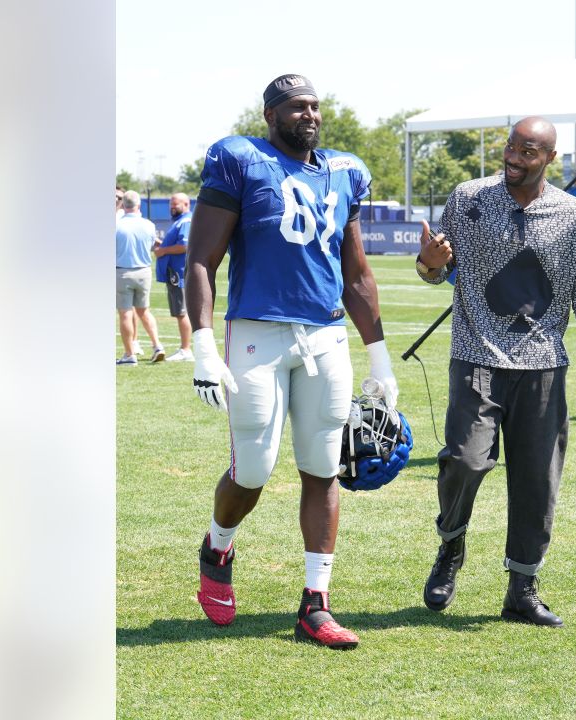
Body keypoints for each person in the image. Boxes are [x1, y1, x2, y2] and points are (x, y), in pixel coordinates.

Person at [185, 73, 399, 650]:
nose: (310, 115)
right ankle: (218, 543)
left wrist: (380, 359)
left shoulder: (343, 171)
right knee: (254, 467)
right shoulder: (240, 159)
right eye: (297, 106)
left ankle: (315, 604)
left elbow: (356, 274)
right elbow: (202, 260)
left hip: (325, 334)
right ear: (271, 114)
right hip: (257, 329)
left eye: (315, 106)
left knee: (323, 463)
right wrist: (203, 343)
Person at [414, 116, 576, 627]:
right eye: (511, 146)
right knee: (466, 461)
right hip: (477, 356)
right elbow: (437, 270)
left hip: (543, 366)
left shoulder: (575, 216)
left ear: (549, 158)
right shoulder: (468, 198)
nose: (514, 157)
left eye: (528, 151)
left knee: (538, 482)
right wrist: (428, 263)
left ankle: (522, 587)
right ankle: (451, 544)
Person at [115, 190, 166, 364]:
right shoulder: (149, 225)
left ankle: (129, 354)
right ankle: (157, 345)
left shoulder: (116, 225)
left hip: (123, 271)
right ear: (139, 205)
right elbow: (152, 244)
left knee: (125, 314)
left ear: (123, 205)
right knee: (144, 311)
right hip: (144, 271)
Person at [153, 193, 194, 362]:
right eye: (171, 204)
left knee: (181, 312)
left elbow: (184, 245)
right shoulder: (180, 221)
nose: (172, 207)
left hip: (179, 273)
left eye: (175, 204)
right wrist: (161, 244)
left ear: (186, 204)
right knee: (179, 312)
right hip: (175, 272)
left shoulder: (185, 221)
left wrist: (163, 251)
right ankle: (185, 348)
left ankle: (185, 349)